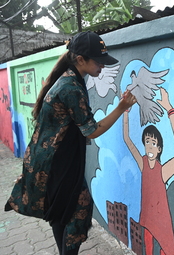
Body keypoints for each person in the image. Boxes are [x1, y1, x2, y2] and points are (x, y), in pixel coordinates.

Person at [4, 31, 136, 255]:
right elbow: (92, 130)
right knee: (79, 209)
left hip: (52, 161)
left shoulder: (69, 78)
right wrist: (121, 108)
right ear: (81, 60)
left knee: (61, 212)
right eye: (99, 61)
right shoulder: (71, 88)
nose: (102, 66)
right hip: (57, 164)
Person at [123, 87, 174, 255]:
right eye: (147, 142)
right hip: (147, 220)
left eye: (153, 143)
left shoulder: (163, 171)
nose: (149, 146)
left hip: (162, 223)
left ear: (159, 148)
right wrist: (125, 111)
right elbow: (127, 140)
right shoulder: (143, 163)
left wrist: (170, 110)